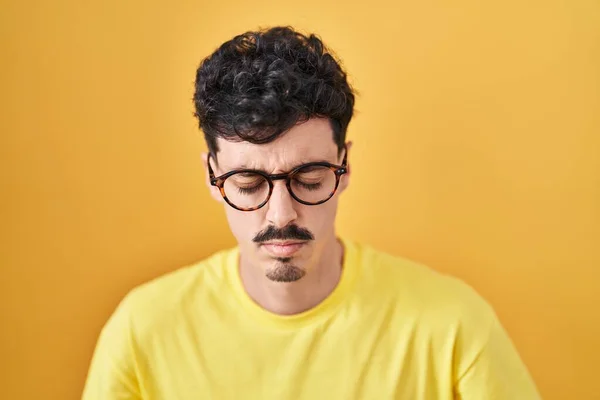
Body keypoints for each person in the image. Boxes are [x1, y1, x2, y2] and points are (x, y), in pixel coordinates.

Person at [82, 26, 540, 399]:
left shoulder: (453, 325)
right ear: (212, 176)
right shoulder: (143, 331)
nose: (281, 214)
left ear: (344, 169)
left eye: (310, 180)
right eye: (248, 184)